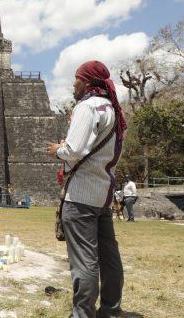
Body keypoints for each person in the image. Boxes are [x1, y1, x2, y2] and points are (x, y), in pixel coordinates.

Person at [45, 60, 126, 318]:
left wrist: (56, 150)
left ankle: (82, 314)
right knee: (108, 256)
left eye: (76, 79)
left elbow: (74, 151)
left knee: (84, 260)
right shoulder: (112, 110)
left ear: (88, 82)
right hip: (102, 193)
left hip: (80, 196)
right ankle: (111, 310)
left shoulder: (87, 107)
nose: (73, 84)